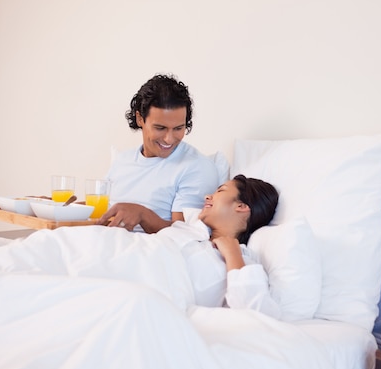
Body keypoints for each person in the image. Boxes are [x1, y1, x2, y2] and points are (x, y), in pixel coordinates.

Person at [98, 74, 219, 233]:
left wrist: (142, 215)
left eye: (178, 128)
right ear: (140, 119)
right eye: (160, 128)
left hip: (150, 251)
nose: (169, 139)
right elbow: (98, 211)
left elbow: (187, 234)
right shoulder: (123, 160)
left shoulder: (197, 167)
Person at [159, 174, 282, 318]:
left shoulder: (243, 262)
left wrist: (232, 254)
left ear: (241, 206)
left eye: (220, 191)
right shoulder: (189, 231)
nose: (207, 197)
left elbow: (258, 314)